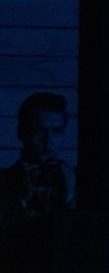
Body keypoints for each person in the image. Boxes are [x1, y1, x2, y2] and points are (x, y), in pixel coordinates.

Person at [0, 93, 76, 230]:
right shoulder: (3, 181)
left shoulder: (78, 180)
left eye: (57, 131)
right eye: (38, 131)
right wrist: (21, 201)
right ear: (21, 132)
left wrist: (71, 199)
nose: (49, 140)